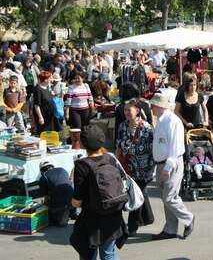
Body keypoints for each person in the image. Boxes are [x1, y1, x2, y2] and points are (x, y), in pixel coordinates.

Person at [70, 125, 128, 260]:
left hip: (92, 220)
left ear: (84, 144)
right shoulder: (110, 158)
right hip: (114, 214)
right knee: (109, 253)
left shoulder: (81, 165)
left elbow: (77, 201)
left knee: (88, 254)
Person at [150, 93, 195, 240]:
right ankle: (170, 228)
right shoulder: (162, 120)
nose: (151, 108)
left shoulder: (172, 121)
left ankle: (188, 218)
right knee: (166, 198)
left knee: (169, 197)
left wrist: (168, 168)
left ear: (159, 106)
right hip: (161, 163)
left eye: (153, 105)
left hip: (171, 163)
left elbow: (175, 148)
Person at [116, 99, 154, 236]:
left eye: (128, 110)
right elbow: (119, 146)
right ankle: (148, 217)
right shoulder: (122, 126)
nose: (126, 112)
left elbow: (152, 150)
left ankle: (132, 225)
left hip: (143, 168)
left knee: (136, 195)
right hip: (128, 166)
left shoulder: (147, 127)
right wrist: (117, 163)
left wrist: (151, 169)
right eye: (125, 110)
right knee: (137, 193)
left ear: (137, 111)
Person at [39, 160, 75, 227]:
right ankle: (72, 213)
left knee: (60, 223)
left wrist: (45, 208)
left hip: (60, 202)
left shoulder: (43, 177)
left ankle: (64, 213)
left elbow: (46, 197)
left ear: (41, 170)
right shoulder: (62, 169)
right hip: (73, 197)